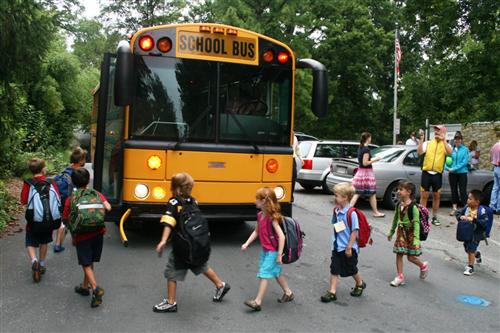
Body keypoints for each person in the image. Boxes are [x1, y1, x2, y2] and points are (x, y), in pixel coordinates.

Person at [153, 173, 230, 313]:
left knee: (171, 272)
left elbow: (169, 223)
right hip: (194, 243)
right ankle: (220, 285)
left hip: (181, 246)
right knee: (200, 265)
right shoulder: (194, 201)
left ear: (175, 187)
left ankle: (171, 302)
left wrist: (163, 240)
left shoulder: (173, 203)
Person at [62, 168, 110, 307]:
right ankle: (84, 287)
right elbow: (108, 207)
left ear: (73, 183)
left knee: (85, 263)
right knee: (89, 261)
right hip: (98, 232)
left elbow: (66, 218)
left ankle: (95, 289)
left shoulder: (71, 199)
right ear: (88, 180)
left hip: (82, 235)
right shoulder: (96, 194)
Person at [241, 187, 294, 311]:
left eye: (257, 199)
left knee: (264, 274)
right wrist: (246, 243)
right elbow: (256, 231)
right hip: (266, 250)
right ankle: (288, 292)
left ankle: (257, 301)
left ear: (264, 201)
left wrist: (279, 255)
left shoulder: (273, 218)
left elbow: (281, 237)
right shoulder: (260, 215)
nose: (255, 201)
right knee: (276, 272)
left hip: (273, 251)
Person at [321, 182, 366, 302]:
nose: (334, 198)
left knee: (351, 269)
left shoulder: (352, 213)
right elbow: (338, 226)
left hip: (348, 248)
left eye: (336, 195)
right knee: (334, 269)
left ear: (345, 197)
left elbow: (354, 231)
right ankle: (332, 292)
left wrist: (349, 247)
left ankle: (360, 283)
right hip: (337, 246)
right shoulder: (336, 210)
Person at [20, 158, 60, 282]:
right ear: (43, 169)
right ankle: (42, 264)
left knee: (30, 240)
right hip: (48, 219)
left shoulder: (28, 183)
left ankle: (34, 261)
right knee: (44, 241)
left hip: (34, 219)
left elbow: (23, 200)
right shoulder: (50, 182)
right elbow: (58, 198)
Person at [387, 181, 429, 287]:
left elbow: (416, 224)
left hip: (411, 234)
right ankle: (400, 276)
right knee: (399, 253)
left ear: (409, 192)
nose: (398, 191)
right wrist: (391, 232)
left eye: (401, 189)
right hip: (401, 232)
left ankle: (423, 265)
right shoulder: (398, 205)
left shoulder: (413, 207)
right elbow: (396, 219)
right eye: (398, 189)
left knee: (411, 257)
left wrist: (416, 239)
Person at [53, 147, 87, 253]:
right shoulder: (78, 173)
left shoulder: (66, 170)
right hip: (71, 200)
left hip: (61, 199)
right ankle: (61, 243)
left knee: (64, 221)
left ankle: (63, 242)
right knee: (71, 220)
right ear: (81, 160)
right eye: (84, 159)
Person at [417, 124, 452, 226]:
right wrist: (421, 140)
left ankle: (435, 217)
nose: (436, 132)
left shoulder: (446, 144)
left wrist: (443, 140)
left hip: (437, 174)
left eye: (439, 130)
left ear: (443, 132)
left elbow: (450, 153)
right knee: (424, 196)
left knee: (437, 196)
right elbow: (419, 153)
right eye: (435, 130)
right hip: (426, 173)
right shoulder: (428, 143)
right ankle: (422, 217)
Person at [350, 132, 385, 217]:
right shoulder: (366, 149)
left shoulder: (361, 147)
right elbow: (365, 163)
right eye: (370, 137)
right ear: (368, 138)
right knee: (371, 193)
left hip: (361, 172)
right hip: (366, 173)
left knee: (357, 192)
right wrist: (375, 159)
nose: (371, 139)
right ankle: (376, 212)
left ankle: (348, 211)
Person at [455, 190, 488, 276]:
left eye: (470, 199)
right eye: (468, 198)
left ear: (477, 202)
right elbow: (458, 212)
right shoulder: (467, 207)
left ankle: (470, 267)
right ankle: (477, 254)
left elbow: (484, 222)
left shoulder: (482, 211)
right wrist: (460, 217)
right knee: (467, 248)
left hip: (476, 234)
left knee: (470, 248)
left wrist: (474, 220)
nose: (467, 200)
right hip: (467, 232)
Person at [445, 132, 469, 216]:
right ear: (454, 140)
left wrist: (454, 168)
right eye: (456, 139)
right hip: (452, 174)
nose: (457, 140)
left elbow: (464, 162)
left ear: (461, 140)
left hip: (462, 173)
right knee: (453, 191)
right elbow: (447, 161)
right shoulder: (451, 149)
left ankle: (466, 209)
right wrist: (447, 168)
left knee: (463, 191)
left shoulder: (465, 149)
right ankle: (454, 208)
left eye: (459, 139)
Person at [490, 132, 500, 214]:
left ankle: (492, 206)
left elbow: (491, 157)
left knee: (495, 187)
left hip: (495, 168)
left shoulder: (494, 146)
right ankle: (499, 208)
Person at [292, 134, 302, 202]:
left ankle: (290, 195)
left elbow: (297, 149)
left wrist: (301, 159)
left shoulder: (294, 137)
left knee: (294, 176)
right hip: (283, 158)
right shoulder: (285, 136)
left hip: (292, 159)